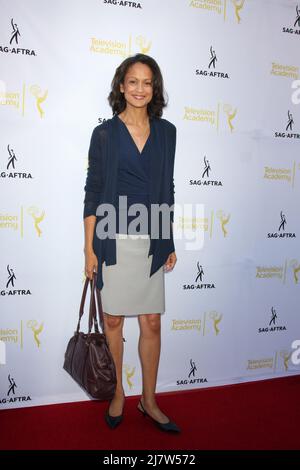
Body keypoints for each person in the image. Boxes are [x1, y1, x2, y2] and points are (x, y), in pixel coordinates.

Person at [83, 53, 179, 433]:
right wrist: (89, 249)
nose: (140, 89)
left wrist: (167, 238)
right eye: (133, 81)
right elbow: (92, 194)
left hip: (151, 236)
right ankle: (119, 393)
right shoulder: (104, 134)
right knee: (113, 320)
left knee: (151, 322)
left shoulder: (168, 132)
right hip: (113, 237)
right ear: (121, 85)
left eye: (148, 82)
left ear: (154, 89)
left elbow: (167, 188)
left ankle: (149, 400)